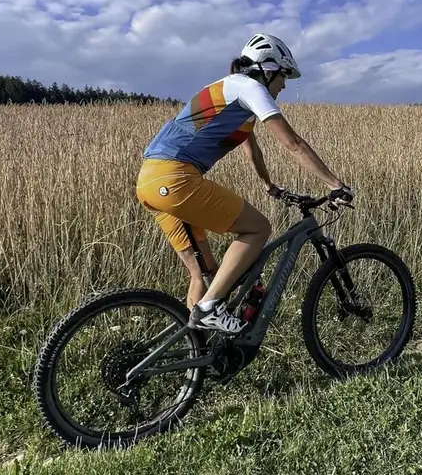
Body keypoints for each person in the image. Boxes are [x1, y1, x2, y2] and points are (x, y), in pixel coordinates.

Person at [136, 32, 354, 335]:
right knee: (258, 228)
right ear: (267, 69)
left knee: (205, 274)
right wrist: (335, 184)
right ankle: (210, 309)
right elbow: (292, 144)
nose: (285, 85)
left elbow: (253, 150)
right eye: (283, 76)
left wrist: (270, 186)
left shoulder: (226, 92)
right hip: (176, 178)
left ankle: (195, 354)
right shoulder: (250, 88)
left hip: (150, 180)